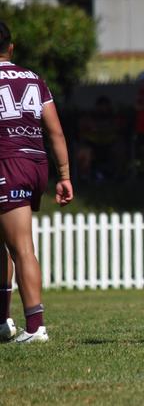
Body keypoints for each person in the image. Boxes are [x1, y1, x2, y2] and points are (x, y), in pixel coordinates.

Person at [0, 20, 73, 344]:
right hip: (35, 161)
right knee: (5, 243)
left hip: (8, 162)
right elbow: (55, 130)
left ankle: (35, 327)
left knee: (21, 246)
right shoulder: (33, 78)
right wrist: (65, 175)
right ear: (10, 48)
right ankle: (3, 321)